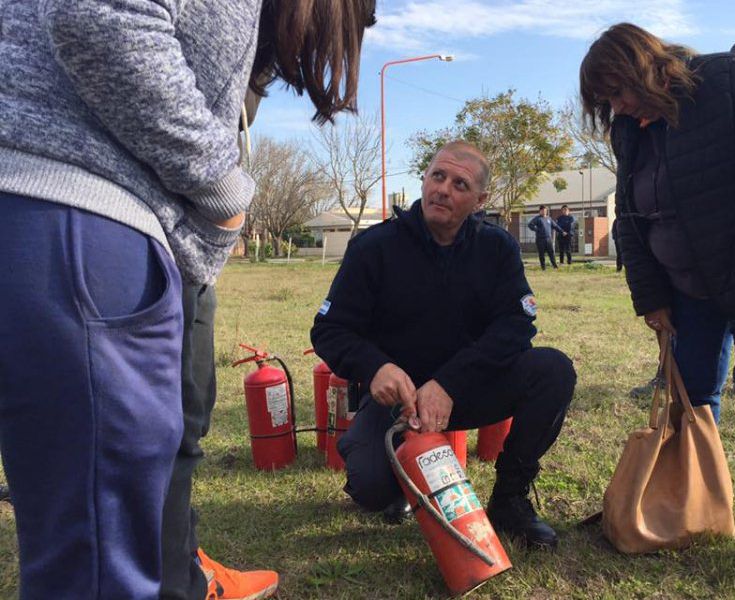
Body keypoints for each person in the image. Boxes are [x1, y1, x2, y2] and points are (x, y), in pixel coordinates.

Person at [581, 23, 735, 585]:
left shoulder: (733, 79)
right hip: (690, 289)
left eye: (620, 91)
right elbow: (634, 222)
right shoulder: (629, 127)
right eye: (608, 101)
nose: (618, 108)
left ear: (644, 65)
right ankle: (690, 504)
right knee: (693, 397)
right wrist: (653, 298)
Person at [160, 5, 378, 600]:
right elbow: (107, 29)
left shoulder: (249, 36)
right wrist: (224, 190)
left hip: (167, 239)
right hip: (134, 234)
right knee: (157, 428)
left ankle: (180, 569)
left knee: (181, 416)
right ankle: (170, 578)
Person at [311, 141, 576, 549]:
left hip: (468, 389)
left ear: (479, 199)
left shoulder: (496, 248)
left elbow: (516, 326)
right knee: (371, 490)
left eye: (459, 183)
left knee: (553, 370)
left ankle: (510, 498)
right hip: (397, 400)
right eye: (437, 176)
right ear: (424, 178)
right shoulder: (374, 248)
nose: (443, 189)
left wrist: (450, 384)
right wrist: (375, 366)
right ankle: (401, 484)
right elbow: (329, 330)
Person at [528, 205, 566, 270]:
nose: (544, 212)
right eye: (542, 210)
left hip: (548, 239)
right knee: (541, 254)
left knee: (551, 253)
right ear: (540, 211)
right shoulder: (537, 219)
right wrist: (536, 229)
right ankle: (543, 268)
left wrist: (562, 231)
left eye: (545, 210)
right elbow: (530, 225)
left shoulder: (549, 219)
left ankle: (555, 266)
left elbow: (555, 226)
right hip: (540, 240)